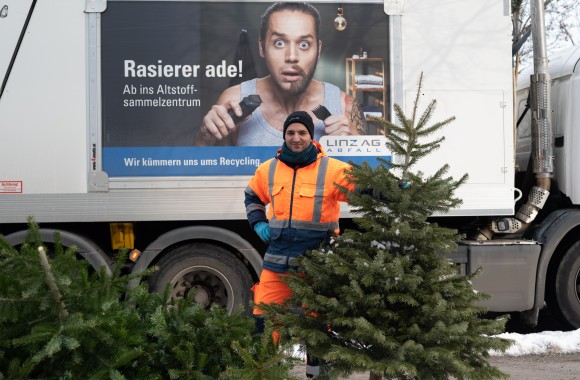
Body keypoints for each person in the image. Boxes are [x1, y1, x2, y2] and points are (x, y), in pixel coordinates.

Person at [244, 111, 355, 378]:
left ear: (311, 135)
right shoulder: (268, 169)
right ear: (284, 135)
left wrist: (394, 187)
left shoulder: (332, 169)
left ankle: (316, 375)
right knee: (263, 318)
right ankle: (265, 372)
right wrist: (258, 222)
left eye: (302, 133)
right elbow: (252, 197)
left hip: (317, 265)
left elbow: (365, 186)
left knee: (318, 326)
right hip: (277, 262)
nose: (296, 138)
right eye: (291, 133)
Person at [195, 2, 367, 146]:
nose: (292, 57)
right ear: (262, 48)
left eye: (304, 44)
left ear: (318, 50)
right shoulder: (234, 101)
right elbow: (204, 176)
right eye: (279, 42)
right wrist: (205, 138)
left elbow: (369, 180)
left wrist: (354, 149)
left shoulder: (344, 107)